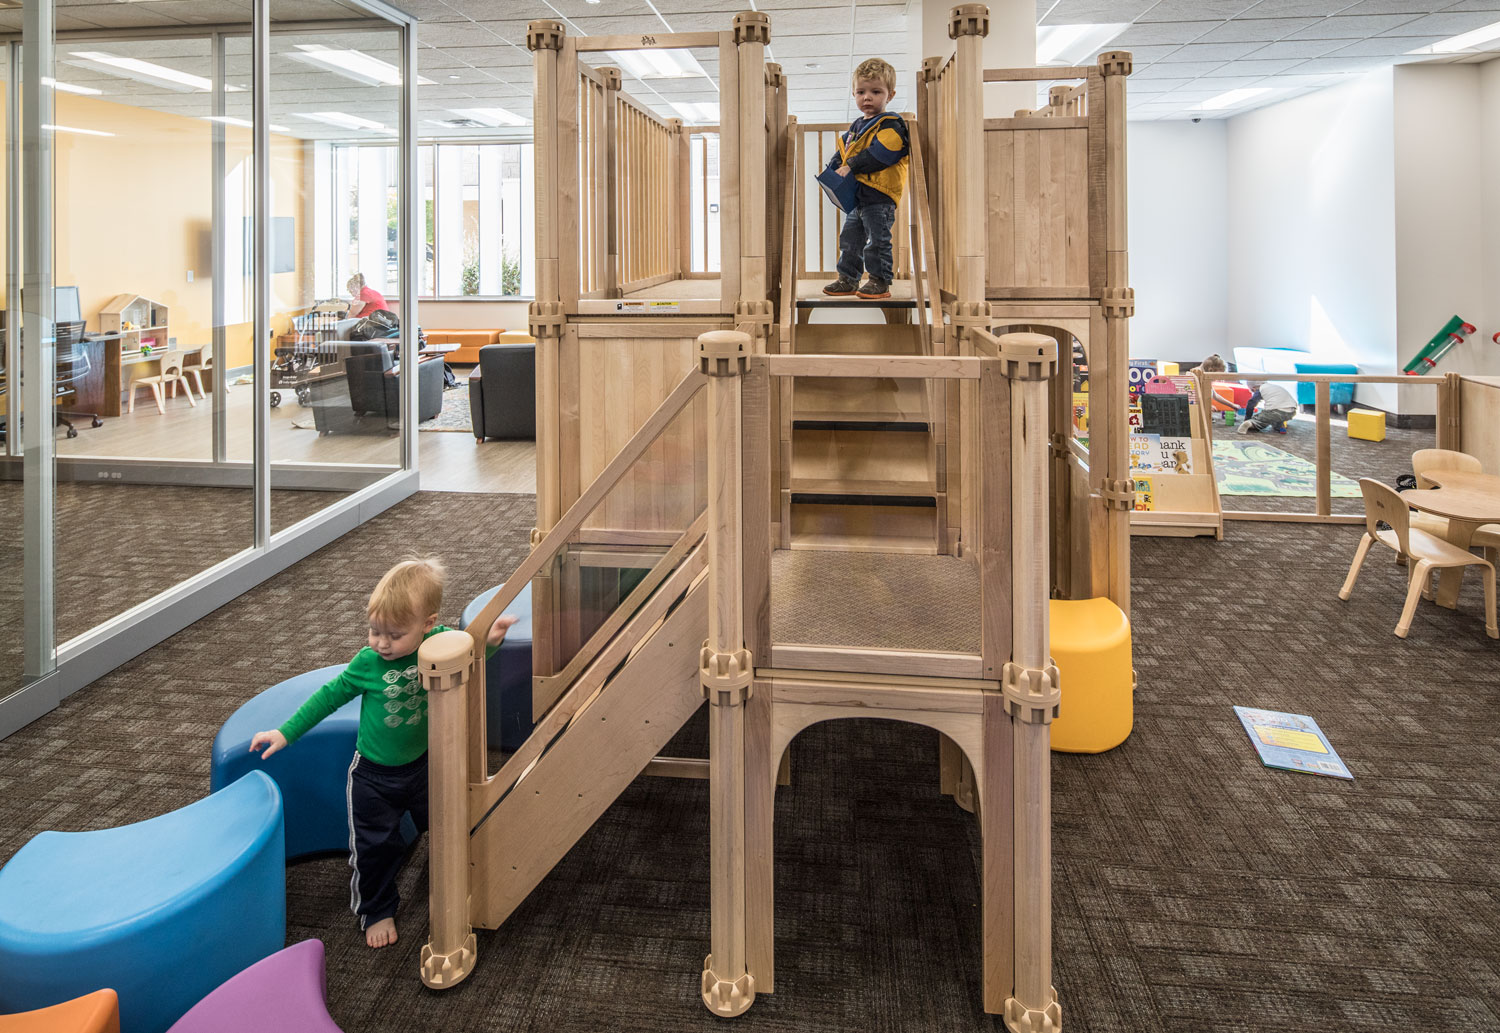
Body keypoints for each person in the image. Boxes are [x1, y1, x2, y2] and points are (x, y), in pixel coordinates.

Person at [249, 558, 517, 949]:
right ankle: (376, 909)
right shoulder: (368, 663)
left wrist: (490, 642)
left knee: (451, 825)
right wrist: (285, 732)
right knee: (373, 848)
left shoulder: (439, 642)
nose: (381, 643)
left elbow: (469, 658)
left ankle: (463, 876)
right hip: (374, 776)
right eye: (375, 631)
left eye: (394, 634)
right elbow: (328, 697)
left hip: (427, 766)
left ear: (428, 623)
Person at [822, 58, 910, 301]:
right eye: (861, 92)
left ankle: (879, 281)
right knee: (850, 240)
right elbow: (846, 152)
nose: (867, 98)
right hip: (859, 197)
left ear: (889, 95)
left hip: (880, 196)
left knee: (877, 241)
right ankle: (848, 279)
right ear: (853, 93)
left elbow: (882, 153)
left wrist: (850, 165)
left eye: (875, 91)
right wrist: (834, 167)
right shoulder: (856, 127)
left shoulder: (890, 124)